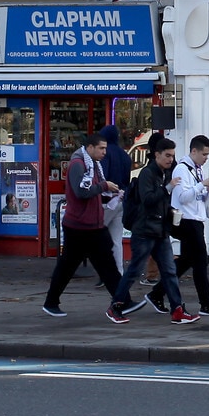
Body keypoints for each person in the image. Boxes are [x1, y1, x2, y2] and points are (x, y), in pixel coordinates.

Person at [110, 136, 195, 324]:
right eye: (167, 155)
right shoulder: (148, 173)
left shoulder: (164, 173)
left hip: (160, 230)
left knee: (169, 270)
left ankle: (177, 310)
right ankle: (115, 305)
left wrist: (171, 212)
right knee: (134, 270)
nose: (171, 159)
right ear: (156, 154)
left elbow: (160, 202)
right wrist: (168, 188)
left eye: (172, 156)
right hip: (145, 231)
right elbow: (147, 199)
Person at [42, 133, 126, 317]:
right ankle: (51, 302)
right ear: (90, 148)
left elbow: (93, 192)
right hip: (78, 227)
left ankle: (122, 300)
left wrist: (110, 194)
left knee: (108, 265)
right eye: (101, 148)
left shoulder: (93, 165)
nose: (105, 152)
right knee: (67, 267)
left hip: (94, 225)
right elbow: (81, 192)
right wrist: (104, 186)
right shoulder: (78, 165)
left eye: (105, 148)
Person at [171, 134, 209, 316]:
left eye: (208, 155)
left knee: (186, 260)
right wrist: (201, 185)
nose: (205, 158)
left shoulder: (196, 169)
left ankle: (157, 293)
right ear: (193, 151)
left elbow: (199, 198)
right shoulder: (181, 170)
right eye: (204, 154)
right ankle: (206, 303)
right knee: (200, 262)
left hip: (196, 219)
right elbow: (182, 197)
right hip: (187, 221)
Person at [97, 124, 133, 271]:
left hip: (106, 200)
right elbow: (127, 179)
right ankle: (118, 271)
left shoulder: (105, 154)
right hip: (120, 198)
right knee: (116, 240)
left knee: (95, 234)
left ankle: (104, 271)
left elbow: (102, 177)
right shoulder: (124, 155)